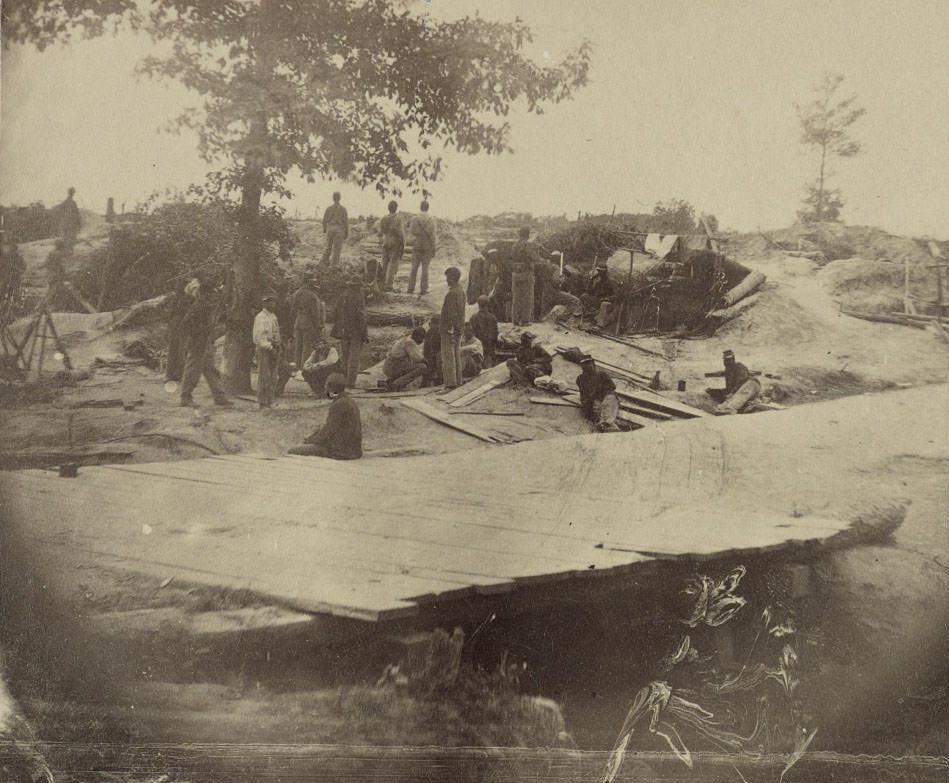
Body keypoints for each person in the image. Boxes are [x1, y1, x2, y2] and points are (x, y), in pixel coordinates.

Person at [179, 280, 232, 407]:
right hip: (197, 344)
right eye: (207, 294)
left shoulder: (205, 306)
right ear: (201, 294)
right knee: (192, 371)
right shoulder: (197, 307)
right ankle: (185, 398)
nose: (210, 296)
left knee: (211, 371)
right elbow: (185, 324)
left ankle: (219, 397)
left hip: (206, 343)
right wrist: (198, 334)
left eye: (210, 294)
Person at [288, 373, 362, 460]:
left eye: (326, 387)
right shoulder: (350, 401)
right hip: (354, 451)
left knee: (293, 450)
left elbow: (328, 431)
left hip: (340, 451)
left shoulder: (338, 405)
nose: (325, 390)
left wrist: (311, 440)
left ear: (331, 388)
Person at [331, 276, 368, 387]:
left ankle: (342, 380)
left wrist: (340, 325)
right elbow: (361, 317)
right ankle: (350, 382)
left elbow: (335, 311)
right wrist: (364, 333)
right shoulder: (359, 296)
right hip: (356, 332)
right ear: (358, 286)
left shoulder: (343, 295)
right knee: (354, 358)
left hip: (343, 331)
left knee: (344, 357)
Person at [709, 349, 761, 414]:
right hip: (741, 390)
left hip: (752, 384)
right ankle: (722, 408)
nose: (727, 362)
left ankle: (731, 408)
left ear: (733, 360)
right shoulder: (728, 371)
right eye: (725, 360)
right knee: (732, 397)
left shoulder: (739, 367)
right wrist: (715, 392)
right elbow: (730, 390)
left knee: (738, 394)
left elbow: (742, 382)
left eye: (729, 360)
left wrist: (732, 393)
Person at [576, 355, 620, 432]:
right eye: (585, 364)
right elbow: (583, 395)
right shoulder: (580, 379)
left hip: (606, 396)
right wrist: (587, 407)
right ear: (581, 366)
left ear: (593, 363)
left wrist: (598, 390)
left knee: (610, 400)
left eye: (589, 363)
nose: (588, 366)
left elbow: (612, 387)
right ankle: (606, 425)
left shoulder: (602, 375)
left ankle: (606, 424)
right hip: (594, 400)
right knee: (596, 409)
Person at [253, 293, 282, 409]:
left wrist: (278, 345)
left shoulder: (272, 316)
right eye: (269, 302)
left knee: (273, 376)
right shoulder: (261, 317)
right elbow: (260, 337)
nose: (272, 304)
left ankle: (270, 399)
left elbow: (275, 333)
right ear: (265, 303)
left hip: (273, 347)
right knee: (265, 375)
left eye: (274, 302)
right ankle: (263, 400)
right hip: (265, 349)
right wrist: (270, 347)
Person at [289, 274, 323, 370]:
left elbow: (292, 311)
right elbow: (315, 314)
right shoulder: (312, 296)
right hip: (309, 324)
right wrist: (317, 327)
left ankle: (297, 368)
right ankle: (304, 370)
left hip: (298, 323)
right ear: (308, 283)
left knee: (298, 347)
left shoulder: (296, 294)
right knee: (306, 348)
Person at [440, 266, 466, 388]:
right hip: (458, 328)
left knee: (448, 357)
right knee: (456, 356)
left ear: (451, 279)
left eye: (447, 278)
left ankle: (450, 383)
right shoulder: (461, 291)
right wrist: (458, 328)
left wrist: (451, 329)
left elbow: (452, 314)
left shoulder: (451, 294)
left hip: (449, 329)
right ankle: (458, 381)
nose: (446, 280)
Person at [165, 278, 192, 382]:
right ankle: (170, 375)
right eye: (177, 285)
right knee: (174, 349)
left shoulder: (189, 298)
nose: (178, 287)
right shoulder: (174, 297)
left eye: (180, 285)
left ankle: (177, 375)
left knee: (181, 349)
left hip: (183, 323)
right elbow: (169, 313)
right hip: (175, 323)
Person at [408, 200, 437, 295]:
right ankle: (423, 289)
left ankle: (410, 288)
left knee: (413, 268)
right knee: (425, 269)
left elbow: (411, 231)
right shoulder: (431, 219)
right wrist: (434, 247)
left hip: (417, 245)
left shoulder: (415, 219)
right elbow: (433, 235)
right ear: (428, 208)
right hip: (427, 246)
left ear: (420, 207)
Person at [379, 200, 405, 291]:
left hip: (386, 241)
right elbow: (401, 233)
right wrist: (403, 244)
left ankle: (381, 284)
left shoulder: (384, 218)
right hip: (395, 242)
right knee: (393, 264)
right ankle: (389, 285)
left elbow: (380, 232)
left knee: (384, 264)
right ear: (396, 208)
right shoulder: (398, 218)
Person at [469, 294, 499, 367]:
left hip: (477, 348)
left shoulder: (473, 318)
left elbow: (471, 333)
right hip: (489, 349)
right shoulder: (492, 318)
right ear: (488, 305)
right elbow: (495, 335)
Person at [321, 192, 348, 265]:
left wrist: (325, 230)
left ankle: (324, 263)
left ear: (333, 198)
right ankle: (334, 266)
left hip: (330, 228)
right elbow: (346, 222)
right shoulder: (343, 209)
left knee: (328, 247)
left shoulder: (328, 208)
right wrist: (346, 233)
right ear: (340, 198)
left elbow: (324, 221)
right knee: (337, 248)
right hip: (339, 229)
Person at [423, 314, 442, 385]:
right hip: (432, 357)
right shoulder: (429, 333)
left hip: (437, 356)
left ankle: (437, 378)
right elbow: (426, 349)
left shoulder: (439, 333)